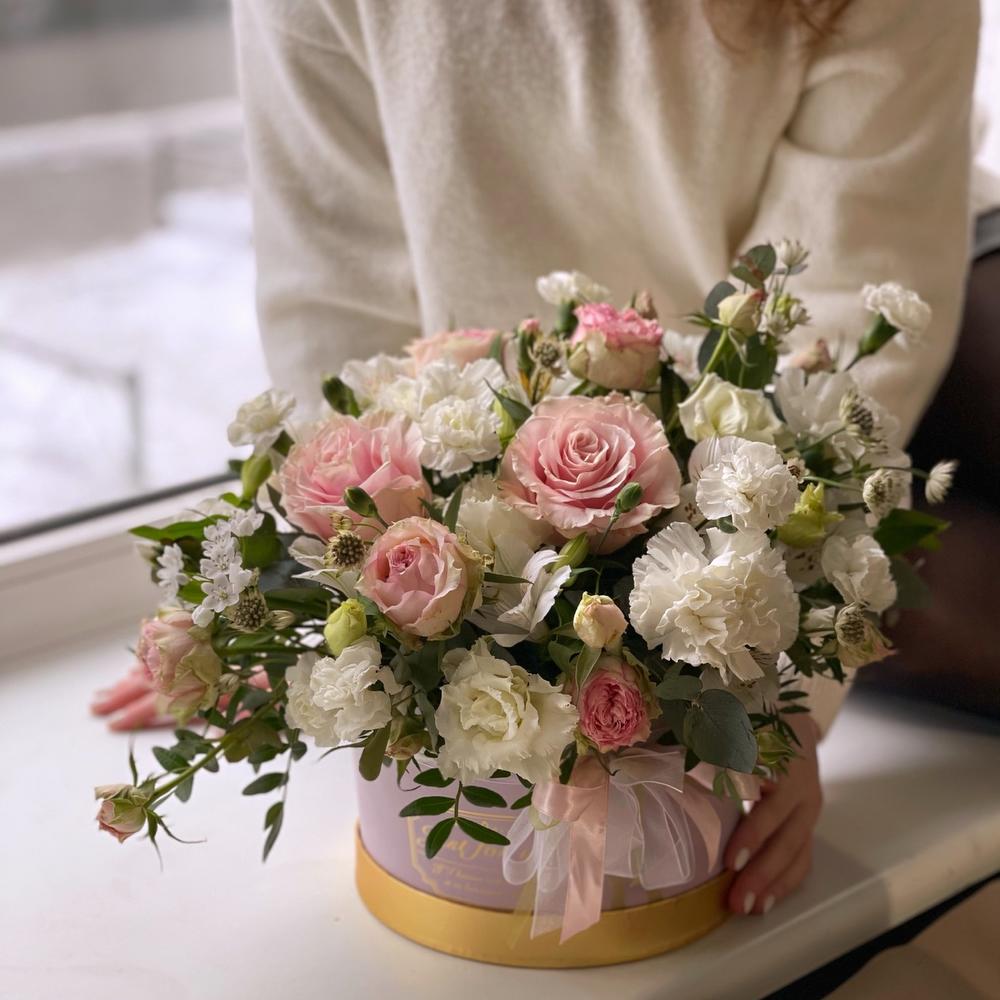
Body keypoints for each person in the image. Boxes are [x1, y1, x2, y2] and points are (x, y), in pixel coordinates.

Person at [94, 0, 980, 919]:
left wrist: (779, 698)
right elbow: (337, 306)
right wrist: (327, 624)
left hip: (862, 376)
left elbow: (847, 305)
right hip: (513, 459)